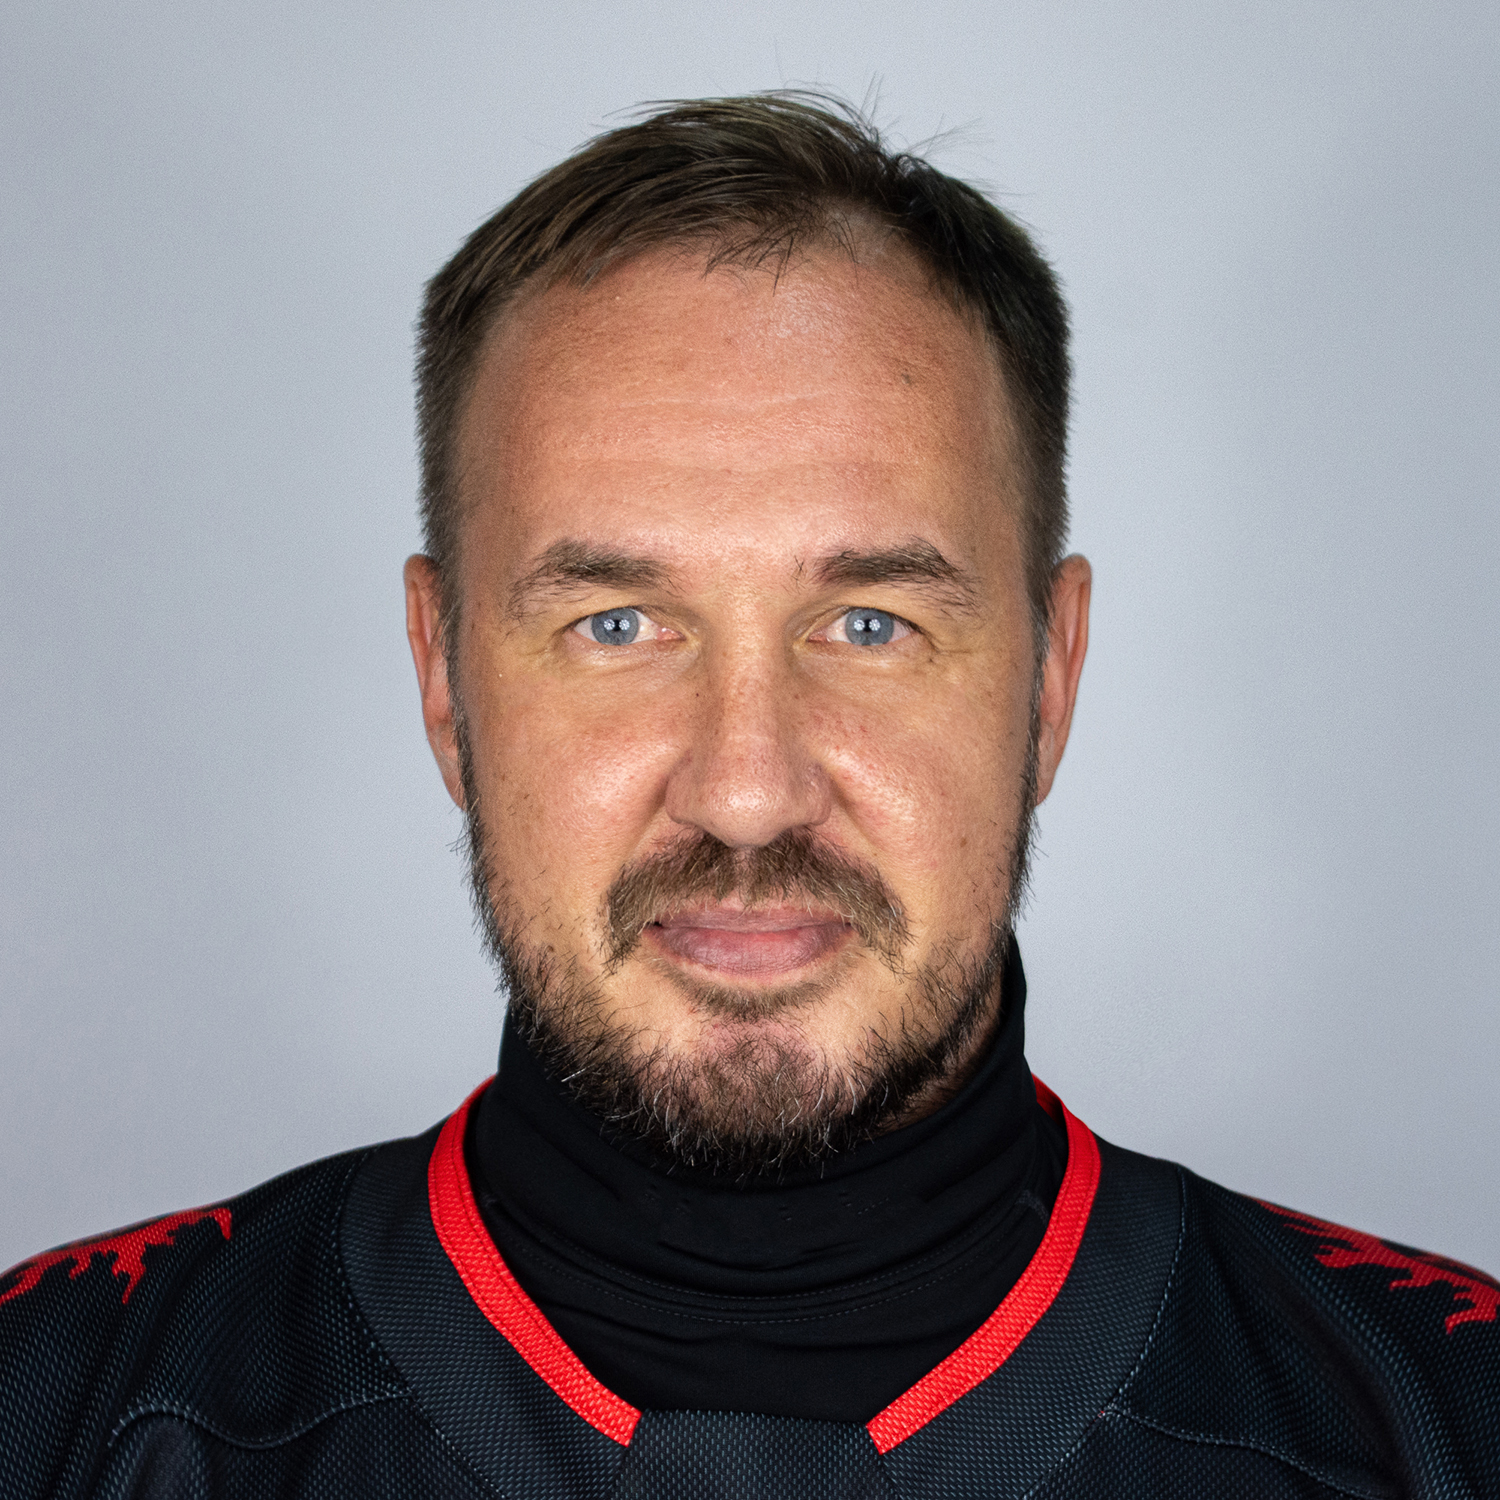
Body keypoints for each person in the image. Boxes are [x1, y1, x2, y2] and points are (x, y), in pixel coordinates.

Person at [2, 93, 1496, 1500]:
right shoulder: (54, 1410)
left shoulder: (1448, 1421)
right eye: (617, 625)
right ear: (444, 681)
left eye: (869, 625)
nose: (745, 795)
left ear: (1049, 681)